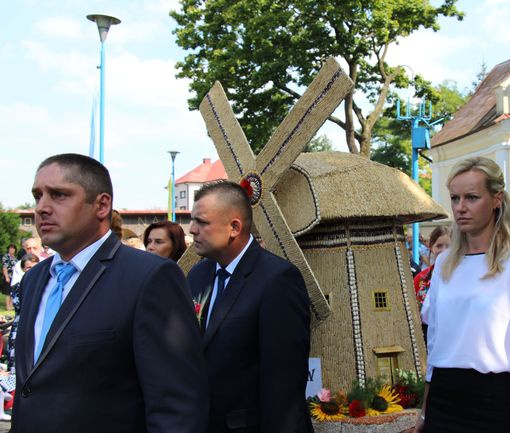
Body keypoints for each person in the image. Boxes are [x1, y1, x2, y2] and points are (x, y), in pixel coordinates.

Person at [12, 153, 208, 433]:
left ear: (101, 205)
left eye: (59, 195)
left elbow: (176, 402)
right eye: (38, 196)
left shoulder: (149, 277)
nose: (42, 207)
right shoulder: (34, 280)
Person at [415, 157, 510, 433]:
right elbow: (436, 341)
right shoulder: (444, 262)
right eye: (455, 198)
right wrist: (424, 413)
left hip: (494, 400)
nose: (460, 207)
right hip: (443, 397)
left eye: (472, 197)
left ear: (496, 199)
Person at [187, 181, 313, 433]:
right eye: (192, 220)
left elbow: (284, 382)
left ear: (234, 227)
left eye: (201, 222)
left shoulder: (277, 279)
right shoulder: (198, 274)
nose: (192, 229)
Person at [7, 253, 40, 375]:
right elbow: (21, 306)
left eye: (36, 266)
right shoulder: (18, 287)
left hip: (37, 329)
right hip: (21, 328)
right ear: (23, 269)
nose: (33, 270)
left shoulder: (46, 286)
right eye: (29, 267)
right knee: (16, 369)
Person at [414, 226, 451, 309]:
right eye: (439, 246)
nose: (443, 251)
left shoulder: (463, 277)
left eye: (449, 246)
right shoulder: (420, 278)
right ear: (431, 247)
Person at [2, 244, 18, 310]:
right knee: (8, 293)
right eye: (10, 248)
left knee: (12, 292)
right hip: (8, 276)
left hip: (14, 277)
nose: (12, 250)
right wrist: (6, 277)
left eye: (13, 248)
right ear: (8, 249)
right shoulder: (6, 257)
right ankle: (8, 306)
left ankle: (11, 305)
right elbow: (4, 268)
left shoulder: (15, 258)